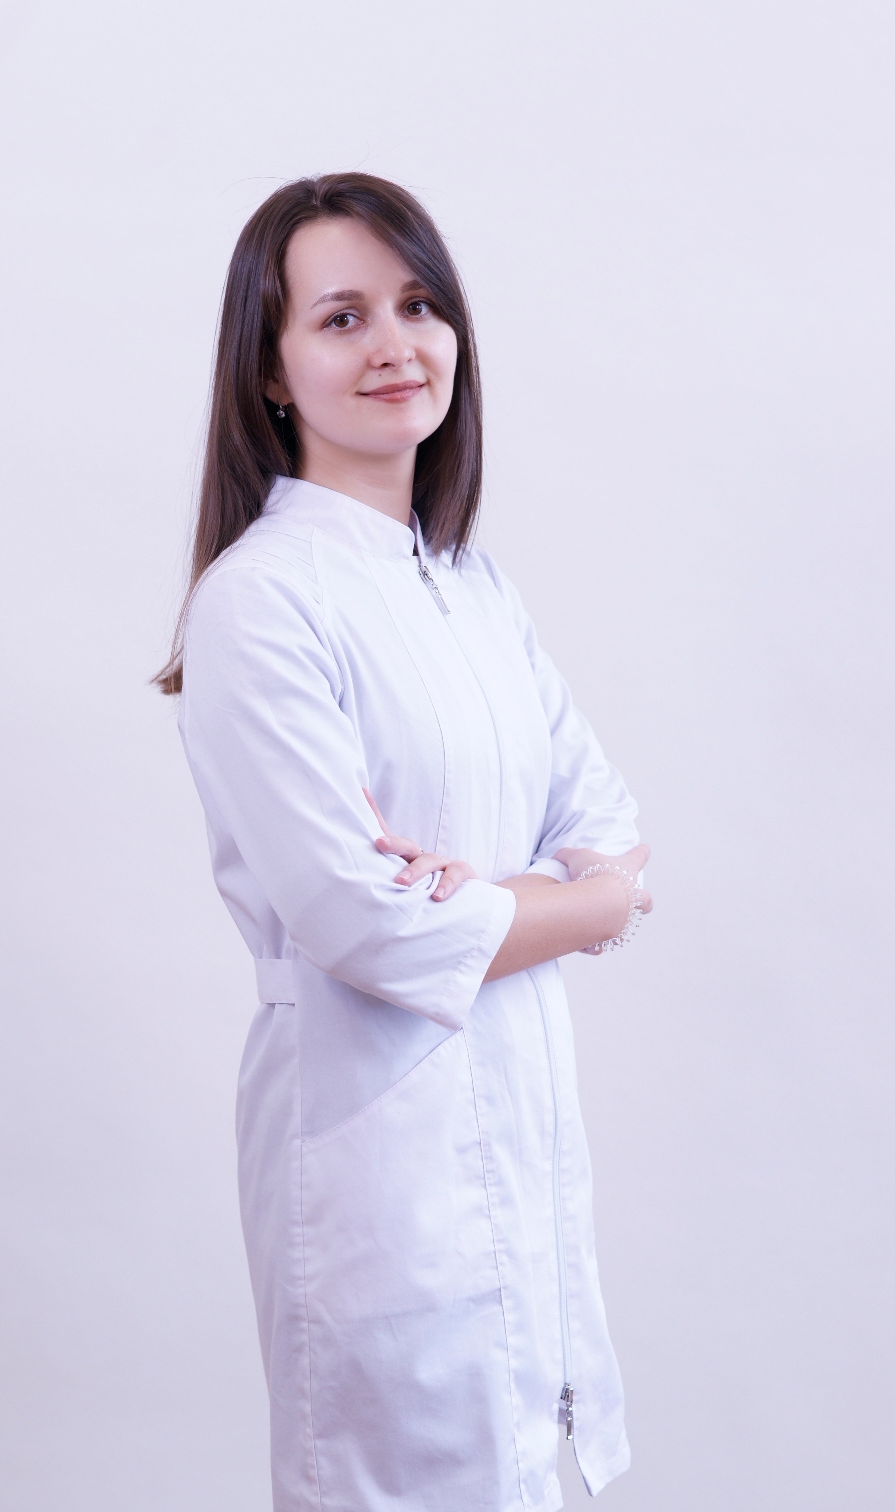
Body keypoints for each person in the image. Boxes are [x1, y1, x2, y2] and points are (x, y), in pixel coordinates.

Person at [160, 172, 652, 1512]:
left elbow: (613, 833)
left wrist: (495, 898)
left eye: (420, 304)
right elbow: (366, 924)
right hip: (373, 1157)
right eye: (342, 317)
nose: (396, 344)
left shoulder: (475, 588)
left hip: (520, 1128)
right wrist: (580, 905)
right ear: (270, 371)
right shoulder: (260, 603)